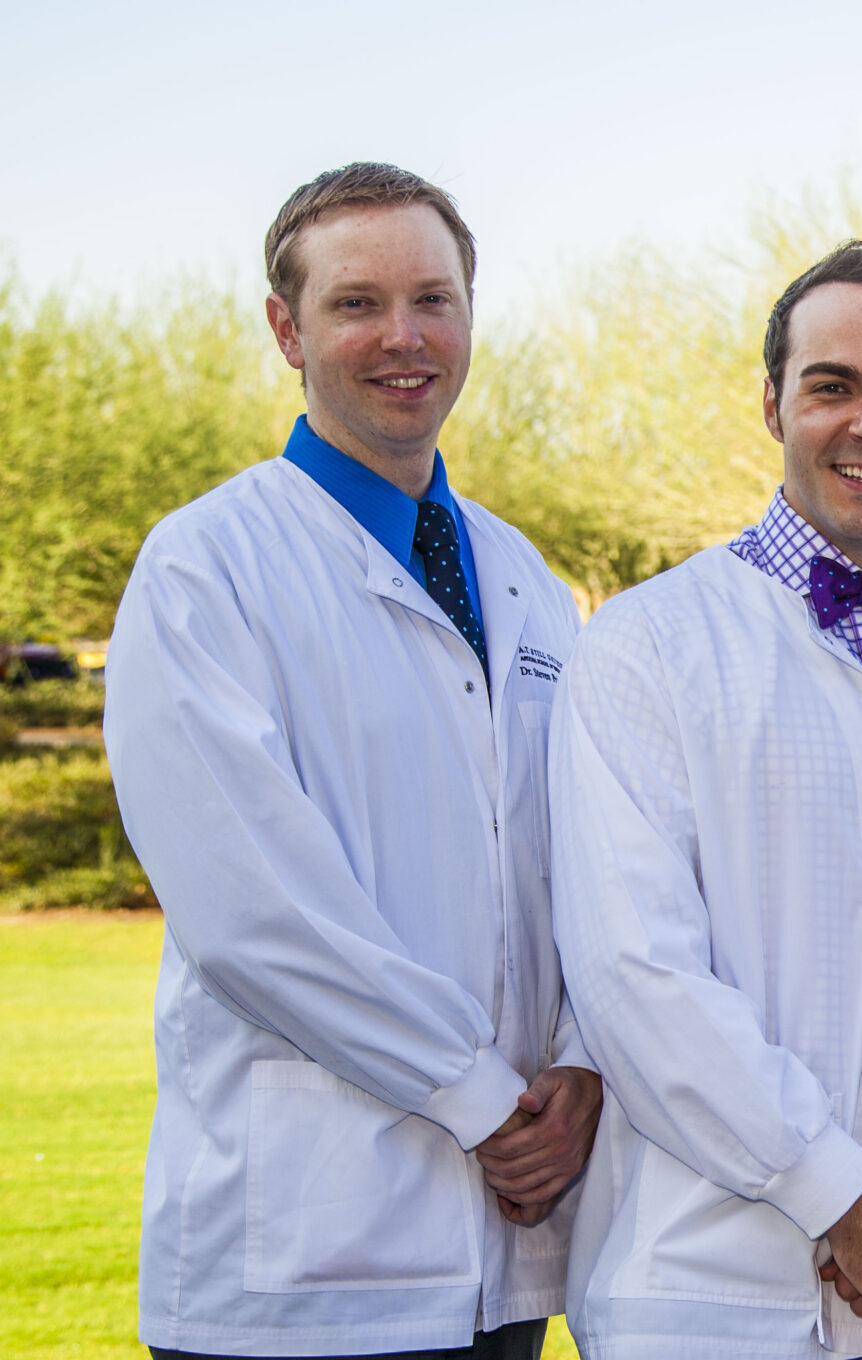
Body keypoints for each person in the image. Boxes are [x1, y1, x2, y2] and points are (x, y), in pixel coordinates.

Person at [104, 162, 602, 1360]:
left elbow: (596, 854)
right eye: (355, 304)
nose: (404, 337)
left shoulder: (523, 575)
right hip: (302, 1259)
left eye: (433, 298)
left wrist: (584, 1064)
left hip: (506, 1253)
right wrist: (484, 1102)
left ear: (471, 314)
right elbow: (256, 909)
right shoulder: (205, 568)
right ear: (286, 328)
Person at [545, 241, 862, 1360]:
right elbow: (634, 967)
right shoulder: (647, 642)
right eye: (833, 386)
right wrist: (836, 1192)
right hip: (711, 1290)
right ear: (771, 399)